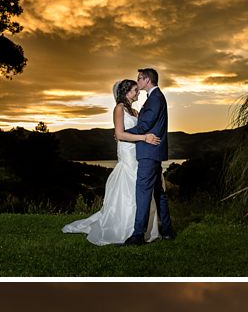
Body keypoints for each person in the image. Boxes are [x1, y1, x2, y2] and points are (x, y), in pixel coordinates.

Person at [62, 79, 162, 245]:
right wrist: (144, 137)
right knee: (130, 186)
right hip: (127, 153)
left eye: (138, 89)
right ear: (126, 92)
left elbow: (133, 130)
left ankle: (140, 228)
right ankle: (124, 228)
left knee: (140, 187)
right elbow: (121, 134)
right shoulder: (119, 109)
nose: (138, 93)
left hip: (137, 151)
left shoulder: (136, 112)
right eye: (135, 90)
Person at [123, 68, 175, 245]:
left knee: (143, 192)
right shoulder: (156, 97)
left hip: (149, 153)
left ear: (147, 80)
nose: (137, 82)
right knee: (158, 192)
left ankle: (138, 234)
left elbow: (144, 125)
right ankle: (167, 230)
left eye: (139, 79)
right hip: (153, 152)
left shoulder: (155, 99)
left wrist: (122, 133)